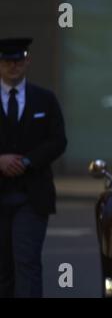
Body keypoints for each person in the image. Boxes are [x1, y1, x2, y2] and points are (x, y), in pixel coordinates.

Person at [0, 38, 67, 297]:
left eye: (18, 61)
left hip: (32, 195)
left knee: (27, 261)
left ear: (27, 62)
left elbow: (58, 141)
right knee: (3, 267)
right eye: (7, 61)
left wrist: (27, 161)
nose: (13, 67)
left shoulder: (45, 99)